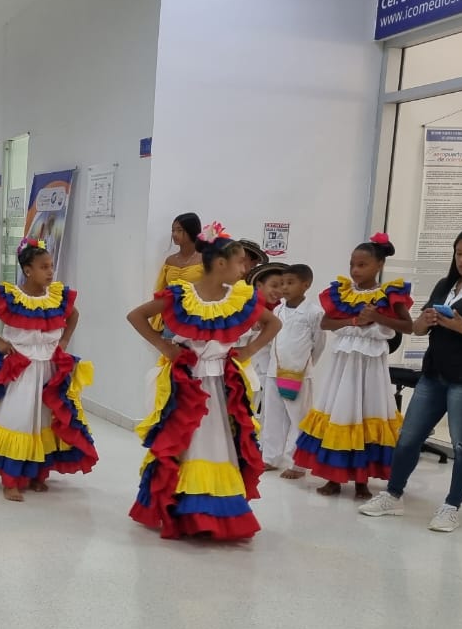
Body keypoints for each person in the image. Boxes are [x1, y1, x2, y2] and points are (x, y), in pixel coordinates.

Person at [127, 224, 280, 540]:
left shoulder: (238, 299)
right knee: (185, 442)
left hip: (222, 385)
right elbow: (136, 316)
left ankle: (214, 508)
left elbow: (272, 323)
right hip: (187, 385)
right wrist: (164, 345)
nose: (244, 270)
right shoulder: (182, 296)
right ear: (221, 264)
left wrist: (249, 350)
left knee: (218, 442)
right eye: (240, 263)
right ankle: (182, 507)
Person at [359, 224, 462, 531]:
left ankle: (451, 507)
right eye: (459, 253)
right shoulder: (446, 285)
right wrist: (425, 321)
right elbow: (416, 329)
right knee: (408, 437)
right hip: (435, 373)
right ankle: (393, 494)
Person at [0, 239, 98, 501]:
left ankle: (37, 473)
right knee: (17, 418)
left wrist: (64, 340)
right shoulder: (11, 297)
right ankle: (11, 479)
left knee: (43, 420)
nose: (50, 272)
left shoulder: (57, 296)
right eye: (44, 267)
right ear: (28, 270)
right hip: (21, 367)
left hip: (49, 367)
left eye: (51, 266)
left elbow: (74, 315)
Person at [293, 234, 413, 500]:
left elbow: (409, 326)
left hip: (371, 365)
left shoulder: (390, 293)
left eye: (362, 265)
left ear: (379, 265)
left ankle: (362, 481)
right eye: (352, 264)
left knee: (367, 411)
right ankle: (333, 477)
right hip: (344, 363)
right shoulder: (343, 292)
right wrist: (354, 321)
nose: (355, 270)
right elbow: (326, 323)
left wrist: (378, 317)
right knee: (341, 411)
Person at [262, 264, 325, 478]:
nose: (284, 288)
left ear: (306, 285)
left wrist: (305, 365)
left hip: (299, 374)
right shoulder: (277, 310)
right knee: (273, 416)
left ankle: (298, 463)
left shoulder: (314, 313)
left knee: (299, 418)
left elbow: (319, 344)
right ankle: (271, 457)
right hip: (274, 371)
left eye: (290, 283)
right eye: (282, 283)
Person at [246, 262, 291, 409]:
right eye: (274, 285)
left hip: (270, 373)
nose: (278, 291)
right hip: (246, 369)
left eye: (282, 286)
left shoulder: (282, 312)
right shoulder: (244, 307)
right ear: (259, 285)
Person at [151, 212, 204, 333]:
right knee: (169, 345)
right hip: (171, 317)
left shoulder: (204, 259)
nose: (174, 234)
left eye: (179, 230)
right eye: (173, 230)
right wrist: (157, 317)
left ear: (192, 230)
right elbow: (161, 289)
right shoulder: (170, 261)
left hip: (197, 318)